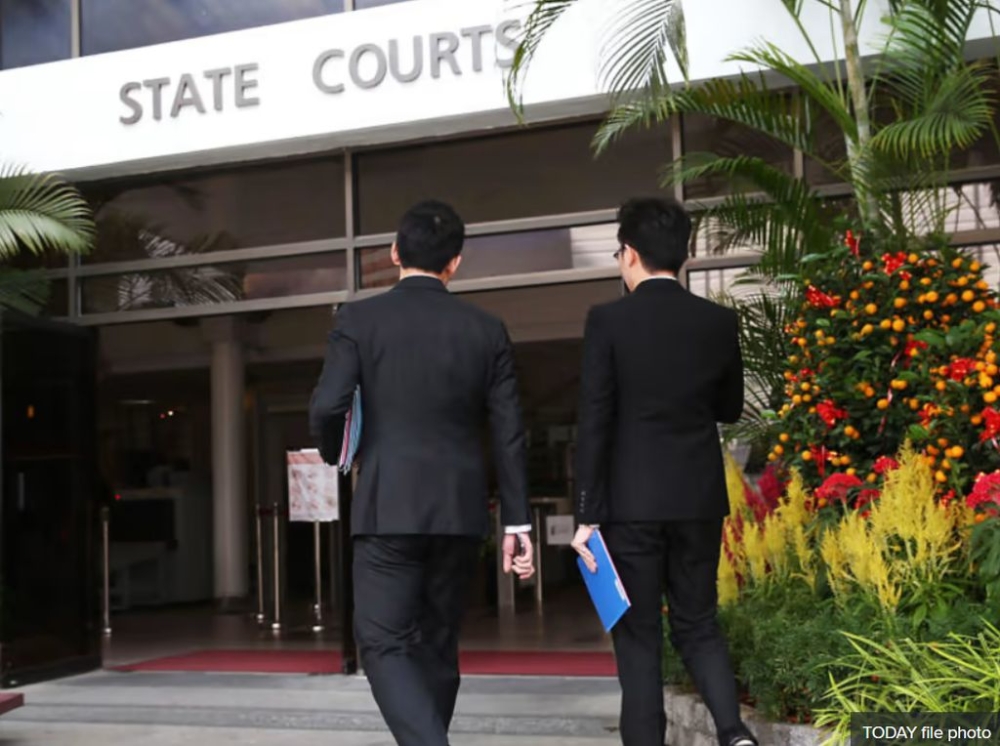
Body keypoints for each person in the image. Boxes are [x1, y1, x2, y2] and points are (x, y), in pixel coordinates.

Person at [309, 200, 535, 746]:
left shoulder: (359, 319)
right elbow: (509, 432)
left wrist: (338, 453)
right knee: (437, 643)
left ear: (393, 253)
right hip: (458, 511)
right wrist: (517, 523)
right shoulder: (486, 329)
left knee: (383, 642)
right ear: (455, 263)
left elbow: (326, 407)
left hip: (387, 504)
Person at [570, 197, 756, 746]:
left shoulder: (607, 320)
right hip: (698, 498)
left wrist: (586, 513)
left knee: (639, 638)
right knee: (698, 624)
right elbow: (729, 407)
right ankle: (735, 734)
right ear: (684, 256)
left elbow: (595, 419)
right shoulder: (718, 321)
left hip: (630, 505)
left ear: (628, 254)